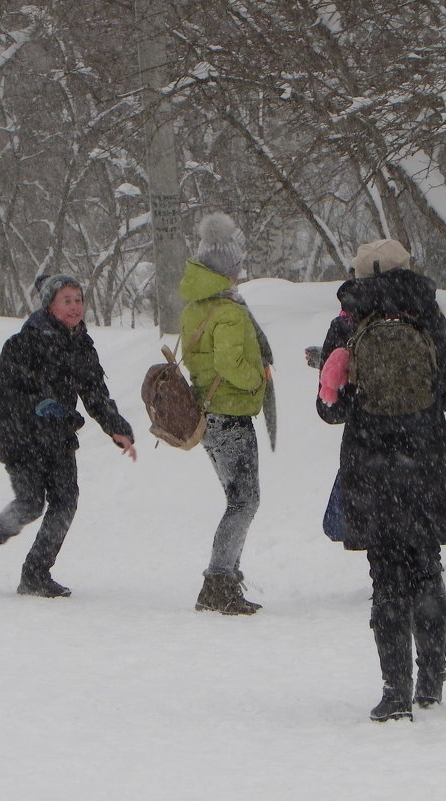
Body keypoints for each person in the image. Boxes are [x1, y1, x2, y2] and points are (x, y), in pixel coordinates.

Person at [316, 238, 446, 722]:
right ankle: (432, 680)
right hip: (424, 461)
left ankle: (395, 693)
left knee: (386, 579)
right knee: (427, 568)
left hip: (371, 465)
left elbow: (331, 409)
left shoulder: (346, 324)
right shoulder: (433, 320)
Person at [0, 274, 136, 598]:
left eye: (79, 300)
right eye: (66, 300)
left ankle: (36, 574)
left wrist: (118, 429)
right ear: (50, 306)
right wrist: (38, 405)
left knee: (66, 502)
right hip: (21, 436)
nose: (75, 306)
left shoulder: (83, 346)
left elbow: (95, 393)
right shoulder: (23, 342)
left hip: (58, 437)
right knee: (29, 503)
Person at [180, 211, 271, 615]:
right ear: (228, 269)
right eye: (237, 266)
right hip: (231, 414)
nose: (240, 273)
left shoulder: (195, 308)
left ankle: (225, 580)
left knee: (237, 499)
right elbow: (231, 363)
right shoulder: (230, 312)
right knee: (243, 502)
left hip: (207, 415)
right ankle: (218, 582)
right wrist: (256, 381)